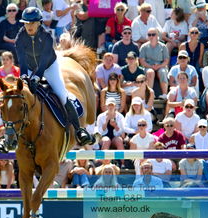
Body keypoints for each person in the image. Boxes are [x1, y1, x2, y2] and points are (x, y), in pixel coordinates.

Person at [12, 7, 92, 147]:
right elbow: (22, 61)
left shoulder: (46, 37)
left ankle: (79, 130)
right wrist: (24, 77)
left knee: (62, 94)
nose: (29, 26)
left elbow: (43, 63)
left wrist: (36, 77)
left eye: (32, 23)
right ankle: (10, 135)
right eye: (26, 23)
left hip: (49, 67)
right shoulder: (20, 38)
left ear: (39, 23)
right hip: (30, 67)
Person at [139, 27, 170, 100]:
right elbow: (142, 61)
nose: (151, 36)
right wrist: (151, 66)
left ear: (157, 35)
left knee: (162, 72)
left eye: (153, 34)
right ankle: (149, 94)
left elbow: (166, 60)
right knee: (150, 72)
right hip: (148, 66)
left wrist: (159, 66)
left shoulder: (163, 46)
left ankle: (164, 94)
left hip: (161, 65)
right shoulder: (144, 47)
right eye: (149, 35)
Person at [96, 98, 126, 168]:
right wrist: (106, 122)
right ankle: (103, 163)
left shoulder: (120, 116)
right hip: (103, 137)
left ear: (115, 106)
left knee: (119, 140)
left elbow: (122, 133)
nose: (111, 107)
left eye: (112, 105)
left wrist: (115, 126)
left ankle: (122, 163)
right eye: (109, 105)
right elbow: (99, 132)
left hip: (115, 137)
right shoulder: (101, 116)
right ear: (106, 106)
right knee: (106, 140)